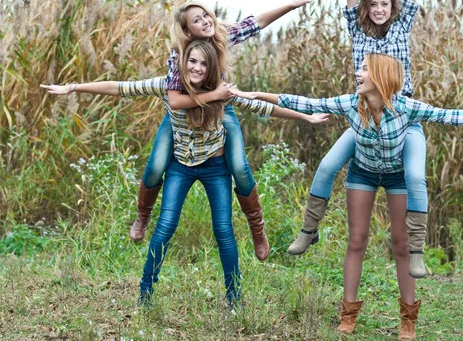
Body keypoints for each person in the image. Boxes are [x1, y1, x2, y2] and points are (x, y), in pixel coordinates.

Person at [228, 53, 463, 338]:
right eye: (360, 68)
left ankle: (408, 319)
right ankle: (348, 314)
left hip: (397, 176)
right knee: (356, 240)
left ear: (381, 77)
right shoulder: (351, 103)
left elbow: (453, 116)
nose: (357, 73)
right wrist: (254, 94)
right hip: (362, 172)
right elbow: (306, 102)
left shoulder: (405, 107)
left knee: (402, 246)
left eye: (364, 69)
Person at [41, 40, 328, 307]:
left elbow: (264, 108)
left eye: (203, 64)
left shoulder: (221, 93)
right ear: (183, 62)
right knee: (165, 226)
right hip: (180, 166)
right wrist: (73, 88)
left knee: (223, 230)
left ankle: (234, 298)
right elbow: (121, 87)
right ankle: (145, 293)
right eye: (192, 61)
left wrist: (306, 117)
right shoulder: (169, 87)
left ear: (211, 68)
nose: (197, 68)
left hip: (216, 169)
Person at [288, 0, 437, 281]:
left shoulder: (402, 28)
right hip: (364, 115)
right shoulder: (357, 30)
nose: (379, 8)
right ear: (367, 8)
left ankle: (416, 251)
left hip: (403, 116)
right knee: (326, 167)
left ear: (393, 7)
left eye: (385, 4)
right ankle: (309, 231)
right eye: (374, 4)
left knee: (415, 176)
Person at [130, 0, 310, 264]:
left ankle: (257, 229)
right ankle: (142, 216)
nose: (205, 22)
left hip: (219, 107)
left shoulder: (221, 36)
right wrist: (212, 95)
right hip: (182, 111)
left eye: (205, 16)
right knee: (156, 165)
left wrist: (291, 6)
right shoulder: (179, 57)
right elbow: (176, 101)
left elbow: (257, 22)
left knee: (238, 164)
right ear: (187, 31)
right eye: (196, 20)